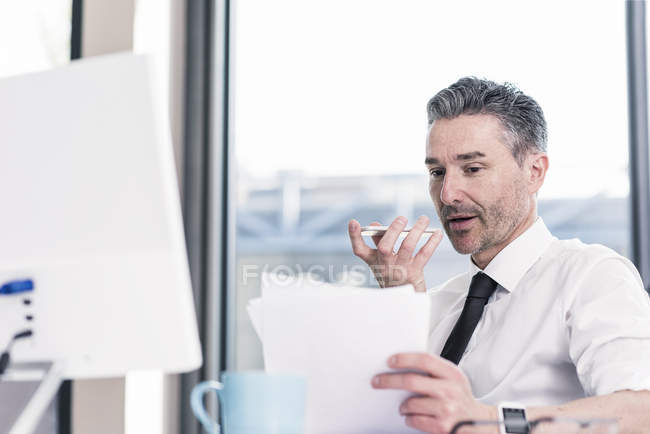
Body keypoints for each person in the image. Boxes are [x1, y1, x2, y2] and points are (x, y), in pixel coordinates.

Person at [348, 77, 650, 433]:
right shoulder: (438, 304)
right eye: (437, 172)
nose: (447, 194)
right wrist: (400, 302)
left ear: (534, 172)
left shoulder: (591, 276)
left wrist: (488, 421)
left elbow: (640, 410)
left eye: (472, 169)